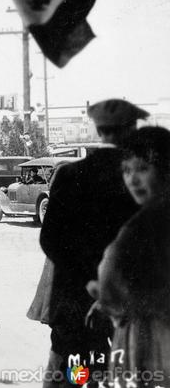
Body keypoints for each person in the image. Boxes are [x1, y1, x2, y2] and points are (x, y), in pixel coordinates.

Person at [37, 98, 147, 386]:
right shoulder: (142, 180)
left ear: (99, 131)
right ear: (133, 129)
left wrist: (84, 277)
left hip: (74, 302)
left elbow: (50, 241)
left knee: (72, 373)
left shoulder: (68, 174)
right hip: (126, 305)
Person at [85, 126, 170, 388]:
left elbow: (110, 277)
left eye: (142, 169)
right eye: (127, 170)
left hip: (149, 340)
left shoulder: (140, 225)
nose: (133, 180)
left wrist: (101, 295)